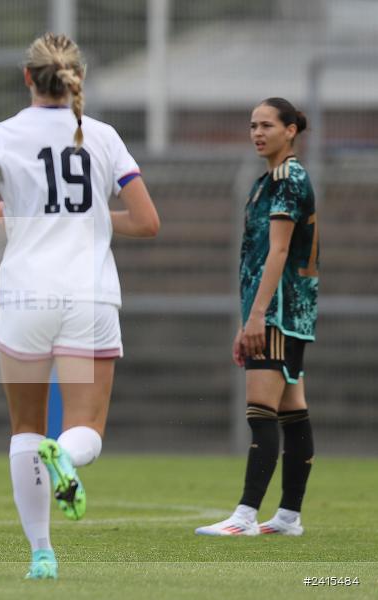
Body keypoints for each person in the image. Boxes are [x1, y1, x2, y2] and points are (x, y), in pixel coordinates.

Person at [0, 33, 159, 579]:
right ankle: (66, 454)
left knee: (25, 429)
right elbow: (147, 222)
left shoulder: (1, 134)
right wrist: (93, 218)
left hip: (26, 295)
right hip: (90, 295)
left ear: (28, 78)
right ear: (76, 79)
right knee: (86, 428)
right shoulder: (103, 137)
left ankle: (42, 554)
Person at [196, 98, 318, 537]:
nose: (257, 133)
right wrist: (247, 317)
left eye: (267, 125)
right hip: (281, 309)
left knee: (260, 411)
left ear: (291, 130)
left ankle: (245, 516)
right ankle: (288, 516)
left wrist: (258, 316)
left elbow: (278, 251)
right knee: (291, 409)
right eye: (253, 126)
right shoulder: (268, 180)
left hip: (279, 310)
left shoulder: (286, 178)